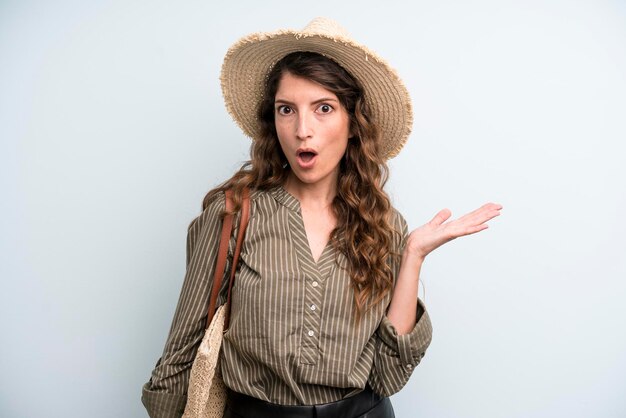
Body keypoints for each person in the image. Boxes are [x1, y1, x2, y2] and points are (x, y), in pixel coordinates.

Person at [141, 17, 502, 418]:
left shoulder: (385, 227)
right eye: (286, 110)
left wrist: (413, 255)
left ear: (353, 124)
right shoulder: (234, 213)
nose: (302, 130)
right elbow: (180, 353)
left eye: (324, 108)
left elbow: (386, 375)